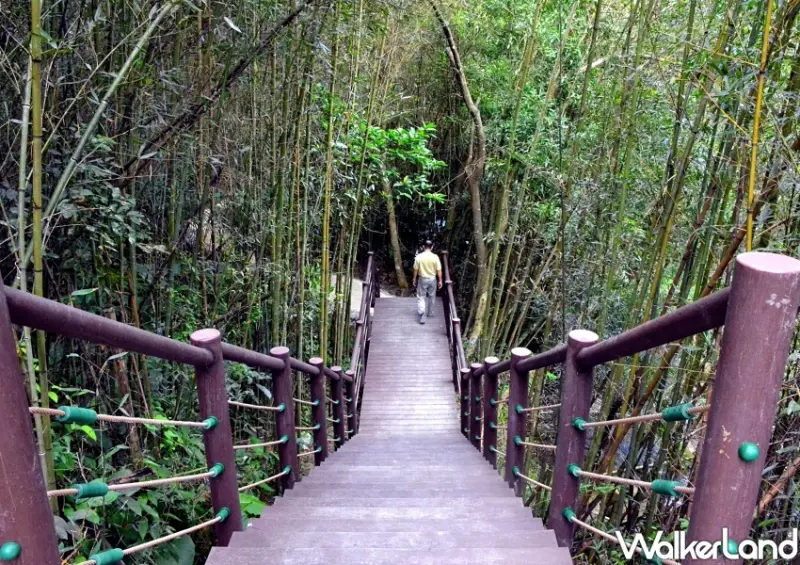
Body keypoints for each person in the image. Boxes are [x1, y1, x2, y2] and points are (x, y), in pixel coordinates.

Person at [412, 241, 443, 324]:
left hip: (422, 279)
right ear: (432, 247)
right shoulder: (435, 257)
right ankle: (430, 313)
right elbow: (439, 270)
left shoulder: (419, 257)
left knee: (421, 296)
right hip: (432, 279)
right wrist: (440, 280)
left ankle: (422, 313)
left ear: (423, 247)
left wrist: (414, 278)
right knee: (432, 296)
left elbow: (415, 269)